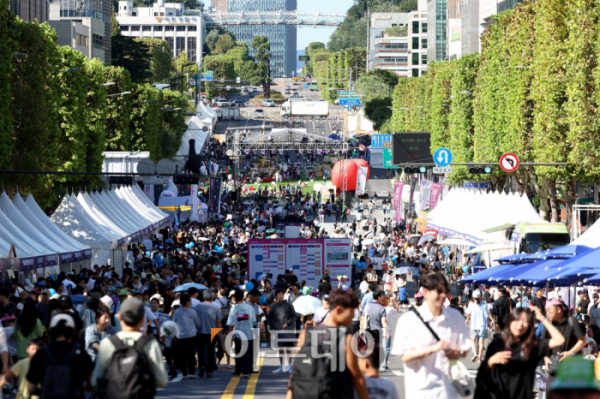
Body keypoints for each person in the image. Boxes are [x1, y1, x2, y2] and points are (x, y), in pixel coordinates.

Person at [391, 273, 471, 399]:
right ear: (426, 292)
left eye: (445, 291)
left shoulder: (456, 317)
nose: (443, 295)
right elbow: (405, 357)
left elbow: (464, 350)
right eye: (439, 291)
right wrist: (434, 348)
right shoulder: (408, 320)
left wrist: (457, 354)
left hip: (448, 392)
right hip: (419, 392)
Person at [286, 289, 369, 399]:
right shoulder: (346, 338)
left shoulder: (306, 334)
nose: (353, 316)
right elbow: (357, 377)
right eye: (351, 312)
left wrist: (289, 395)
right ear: (339, 310)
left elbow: (296, 373)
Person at [474, 306, 566, 399]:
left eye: (525, 321)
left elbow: (560, 340)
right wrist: (491, 361)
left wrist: (542, 318)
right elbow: (482, 374)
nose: (520, 325)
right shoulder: (497, 344)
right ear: (510, 321)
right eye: (516, 320)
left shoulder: (533, 345)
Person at [91, 297, 167, 391]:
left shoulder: (107, 343)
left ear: (119, 316)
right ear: (142, 319)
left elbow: (95, 380)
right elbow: (161, 380)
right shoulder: (150, 344)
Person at [27, 313, 95, 399]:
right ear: (72, 332)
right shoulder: (80, 353)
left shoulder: (41, 353)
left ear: (51, 331)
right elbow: (92, 383)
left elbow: (31, 388)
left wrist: (43, 392)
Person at [542, 299, 586, 377]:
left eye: (549, 310)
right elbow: (544, 344)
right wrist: (545, 358)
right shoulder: (548, 324)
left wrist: (570, 353)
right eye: (546, 311)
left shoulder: (571, 321)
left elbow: (582, 340)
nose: (547, 313)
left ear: (559, 309)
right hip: (554, 366)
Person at [226, 289, 256, 378]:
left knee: (238, 353)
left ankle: (238, 370)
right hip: (249, 333)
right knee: (247, 353)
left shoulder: (234, 308)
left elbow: (229, 323)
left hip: (238, 334)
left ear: (235, 298)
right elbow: (254, 320)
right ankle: (246, 371)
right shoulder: (249, 307)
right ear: (243, 296)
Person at [194, 290, 222, 378]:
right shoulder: (216, 307)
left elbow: (194, 319)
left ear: (203, 297)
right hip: (212, 331)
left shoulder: (197, 306)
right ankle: (209, 371)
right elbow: (218, 321)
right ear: (212, 298)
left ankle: (201, 366)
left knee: (200, 350)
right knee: (211, 351)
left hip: (200, 331)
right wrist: (220, 333)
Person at [172, 293, 201, 378]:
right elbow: (198, 324)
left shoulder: (177, 312)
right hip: (191, 336)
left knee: (181, 356)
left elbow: (173, 323)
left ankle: (184, 373)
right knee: (191, 355)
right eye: (190, 300)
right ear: (187, 302)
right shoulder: (193, 312)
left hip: (180, 336)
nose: (191, 302)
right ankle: (191, 373)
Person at [269, 290, 297, 373]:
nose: (281, 296)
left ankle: (290, 366)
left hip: (288, 330)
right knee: (280, 349)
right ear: (276, 296)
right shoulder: (273, 307)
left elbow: (294, 316)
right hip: (277, 330)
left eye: (282, 294)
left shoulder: (289, 305)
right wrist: (273, 327)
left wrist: (287, 323)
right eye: (279, 294)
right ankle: (281, 366)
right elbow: (270, 319)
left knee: (288, 349)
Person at [465, 290, 490, 363]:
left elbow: (467, 314)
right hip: (483, 326)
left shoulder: (471, 304)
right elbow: (487, 314)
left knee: (473, 340)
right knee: (481, 343)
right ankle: (479, 358)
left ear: (473, 297)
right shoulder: (484, 304)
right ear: (480, 297)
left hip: (474, 325)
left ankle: (475, 353)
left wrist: (467, 319)